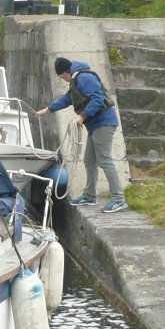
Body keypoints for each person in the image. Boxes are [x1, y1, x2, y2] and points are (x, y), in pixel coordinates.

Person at [42, 57, 127, 213]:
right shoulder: (76, 79)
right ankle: (89, 196)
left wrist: (82, 116)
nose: (62, 79)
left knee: (105, 160)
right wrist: (49, 109)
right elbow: (68, 99)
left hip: (104, 123)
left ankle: (118, 200)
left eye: (61, 76)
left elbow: (98, 98)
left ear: (65, 72)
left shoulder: (85, 78)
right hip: (95, 125)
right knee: (89, 160)